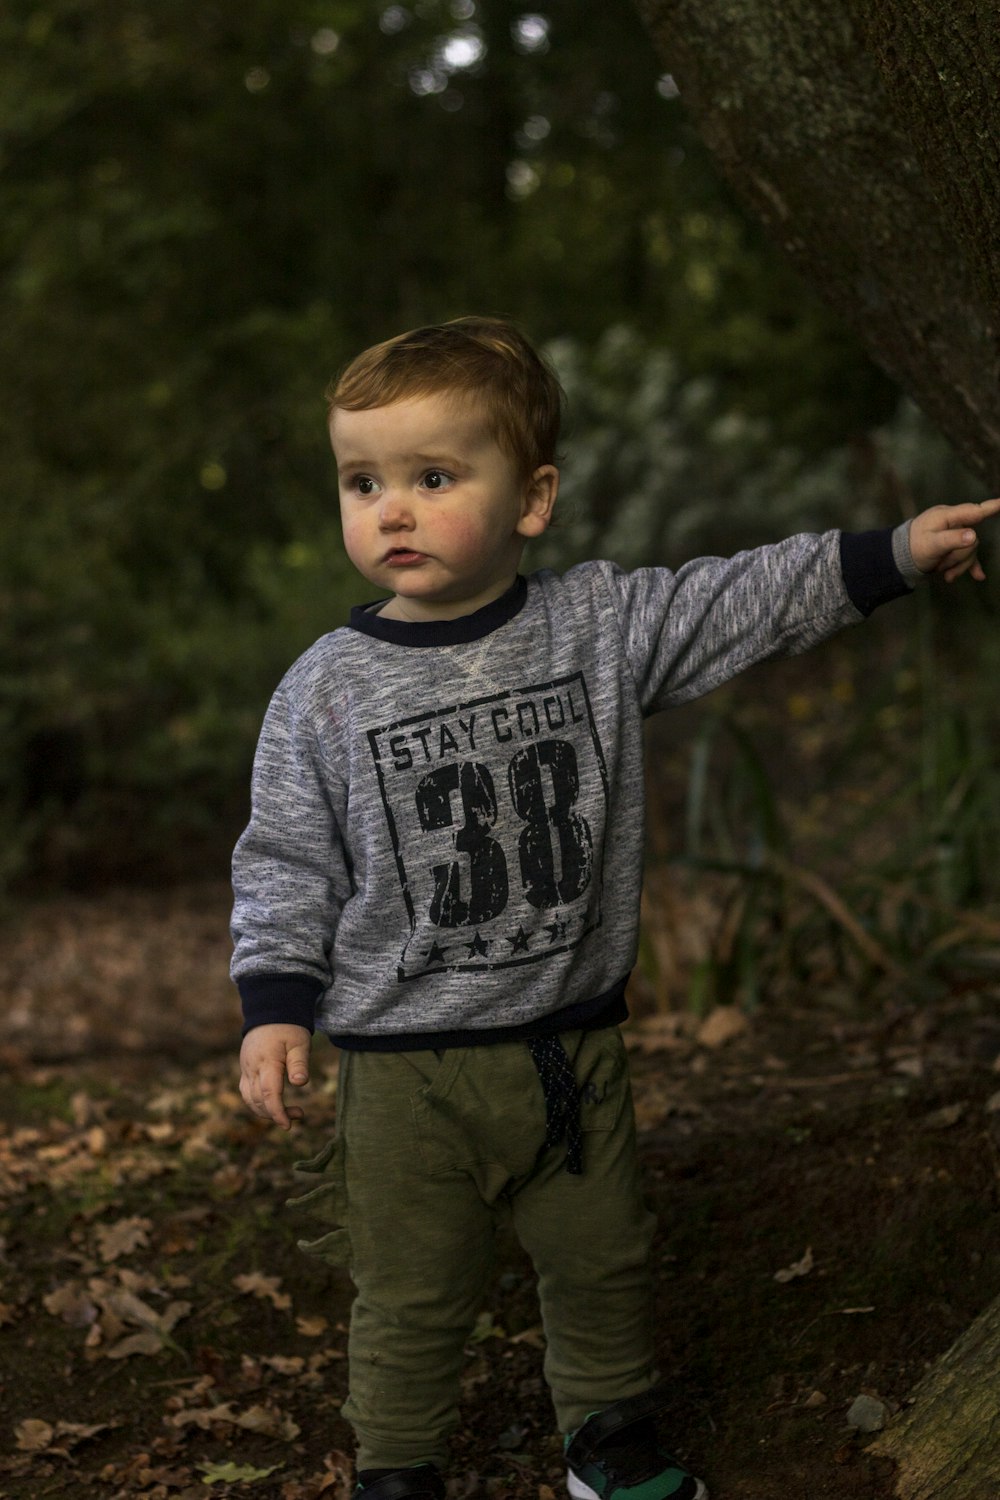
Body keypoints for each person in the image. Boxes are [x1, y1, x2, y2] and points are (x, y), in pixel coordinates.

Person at [232, 316, 998, 1500]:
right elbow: (285, 855)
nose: (391, 509)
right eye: (363, 481)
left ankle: (608, 1442)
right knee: (410, 1291)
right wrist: (274, 1004)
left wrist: (891, 551)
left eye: (433, 478)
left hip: (569, 1045)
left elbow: (740, 598)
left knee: (601, 1262)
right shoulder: (322, 691)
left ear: (531, 498)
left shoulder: (596, 627)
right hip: (402, 1066)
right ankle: (394, 1468)